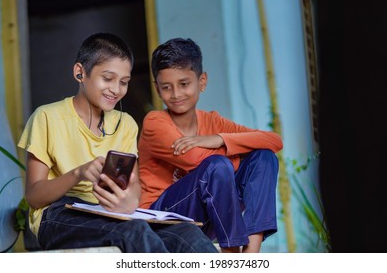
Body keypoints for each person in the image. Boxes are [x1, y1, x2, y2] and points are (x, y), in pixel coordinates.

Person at [17, 33, 217, 253]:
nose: (116, 89)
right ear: (80, 72)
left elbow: (133, 190)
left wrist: (127, 202)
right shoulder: (47, 117)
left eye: (124, 82)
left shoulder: (125, 124)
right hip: (58, 215)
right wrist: (78, 173)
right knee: (133, 232)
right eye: (108, 78)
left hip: (107, 212)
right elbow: (34, 197)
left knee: (188, 234)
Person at [138, 38, 283, 253]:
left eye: (184, 84)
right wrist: (239, 150)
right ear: (157, 89)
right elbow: (195, 159)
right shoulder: (154, 122)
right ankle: (231, 252)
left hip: (209, 216)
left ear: (202, 81)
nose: (176, 94)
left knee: (264, 158)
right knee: (216, 166)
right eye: (166, 87)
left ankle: (251, 254)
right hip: (163, 217)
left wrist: (219, 138)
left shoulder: (213, 122)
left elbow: (274, 141)